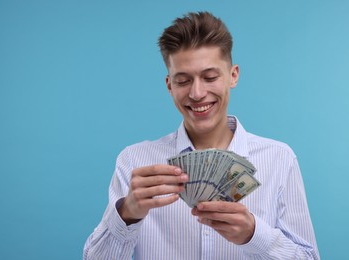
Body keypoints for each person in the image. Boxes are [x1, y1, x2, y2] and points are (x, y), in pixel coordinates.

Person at [83, 11, 319, 259]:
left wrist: (254, 235)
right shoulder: (134, 161)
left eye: (209, 77)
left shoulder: (280, 159)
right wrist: (127, 213)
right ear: (169, 85)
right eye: (183, 80)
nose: (197, 93)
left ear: (233, 75)